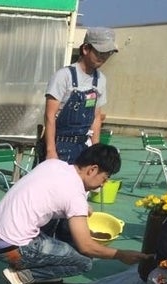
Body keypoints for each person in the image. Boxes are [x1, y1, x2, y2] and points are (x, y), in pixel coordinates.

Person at [0, 144, 150, 284]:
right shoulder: (75, 196)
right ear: (92, 170)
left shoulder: (53, 164)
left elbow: (53, 196)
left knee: (65, 232)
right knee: (84, 262)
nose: (103, 184)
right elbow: (86, 246)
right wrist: (121, 255)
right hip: (14, 248)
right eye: (104, 178)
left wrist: (82, 207)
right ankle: (21, 275)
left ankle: (32, 266)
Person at [38, 27, 117, 243]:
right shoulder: (64, 76)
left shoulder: (100, 80)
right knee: (53, 198)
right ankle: (41, 244)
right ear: (85, 49)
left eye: (108, 53)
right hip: (59, 144)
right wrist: (51, 152)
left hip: (82, 147)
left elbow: (96, 117)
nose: (104, 57)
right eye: (100, 52)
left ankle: (68, 243)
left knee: (77, 199)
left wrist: (96, 150)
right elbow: (50, 115)